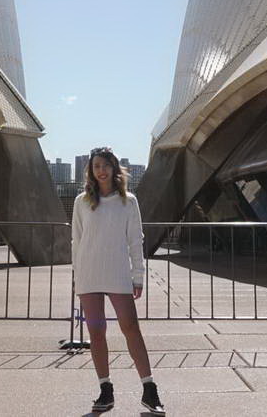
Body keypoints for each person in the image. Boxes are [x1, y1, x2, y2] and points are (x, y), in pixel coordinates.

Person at [71, 146, 164, 415]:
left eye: (105, 165)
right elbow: (77, 241)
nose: (101, 170)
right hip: (89, 275)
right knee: (96, 332)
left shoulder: (128, 201)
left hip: (117, 273)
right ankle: (105, 389)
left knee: (130, 327)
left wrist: (138, 276)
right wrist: (77, 276)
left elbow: (136, 240)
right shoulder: (81, 202)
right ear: (91, 170)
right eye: (96, 166)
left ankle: (149, 389)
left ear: (114, 168)